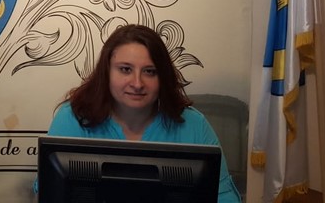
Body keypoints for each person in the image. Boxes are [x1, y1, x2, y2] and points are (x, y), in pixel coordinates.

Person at [38, 24, 241, 202]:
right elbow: (50, 193)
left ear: (163, 77)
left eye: (150, 72)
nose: (137, 83)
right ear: (106, 72)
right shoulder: (72, 119)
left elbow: (224, 197)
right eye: (125, 69)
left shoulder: (194, 125)